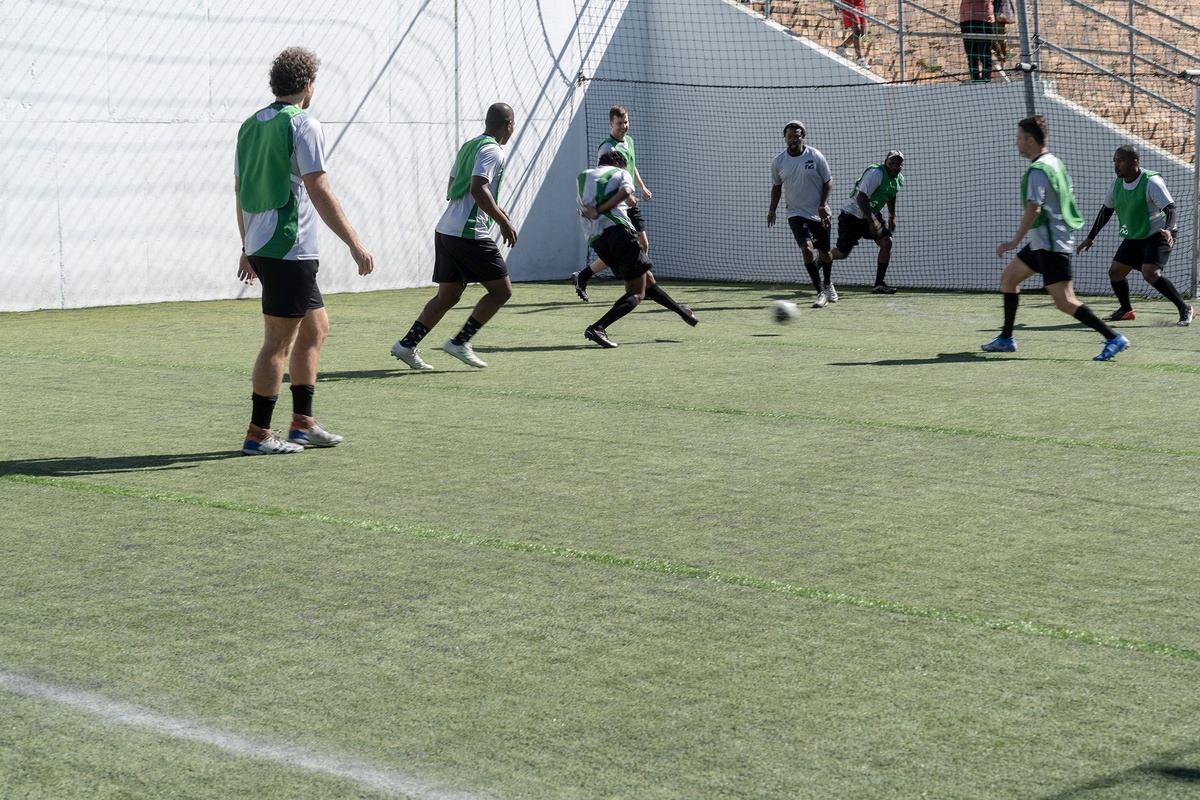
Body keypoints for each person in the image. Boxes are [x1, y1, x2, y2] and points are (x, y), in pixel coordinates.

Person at [235, 46, 374, 455]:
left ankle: (302, 423)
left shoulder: (249, 125)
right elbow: (318, 186)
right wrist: (354, 241)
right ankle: (259, 434)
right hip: (288, 245)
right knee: (278, 341)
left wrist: (246, 245)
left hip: (267, 244)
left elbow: (241, 190)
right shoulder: (304, 124)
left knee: (316, 329)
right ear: (308, 85)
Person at [983, 115, 1130, 361]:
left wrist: (1013, 242)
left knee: (1065, 301)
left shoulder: (1037, 170)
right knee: (1009, 279)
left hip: (1051, 244)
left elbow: (1034, 208)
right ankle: (1006, 339)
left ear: (1031, 140)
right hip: (1044, 241)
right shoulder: (1054, 162)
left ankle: (1113, 337)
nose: (1016, 142)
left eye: (1019, 138)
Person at [391, 103, 518, 370]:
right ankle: (460, 341)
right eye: (513, 125)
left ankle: (406, 345)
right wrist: (503, 222)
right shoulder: (494, 150)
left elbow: (453, 185)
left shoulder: (469, 145)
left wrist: (492, 208)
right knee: (501, 291)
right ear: (509, 125)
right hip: (469, 233)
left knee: (447, 296)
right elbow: (479, 189)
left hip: (447, 229)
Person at [578, 150, 697, 348]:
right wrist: (604, 208)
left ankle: (682, 312)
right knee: (636, 293)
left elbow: (585, 210)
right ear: (619, 164)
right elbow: (626, 192)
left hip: (598, 241)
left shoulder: (584, 177)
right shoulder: (621, 172)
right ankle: (598, 327)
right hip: (620, 234)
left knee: (647, 281)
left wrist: (596, 211)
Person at [1077, 144, 1192, 326]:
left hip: (1159, 233)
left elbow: (1170, 208)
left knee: (1150, 273)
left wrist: (1168, 229)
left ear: (1134, 162)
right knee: (1115, 273)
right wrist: (1091, 237)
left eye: (1120, 161)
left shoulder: (1151, 182)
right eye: (1114, 161)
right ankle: (1126, 310)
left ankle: (1185, 308)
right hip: (1136, 235)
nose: (1116, 165)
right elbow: (1106, 211)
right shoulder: (1116, 184)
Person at [571, 105, 652, 303]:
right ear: (611, 124)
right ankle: (637, 287)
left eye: (626, 122)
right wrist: (624, 197)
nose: (623, 126)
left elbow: (631, 167)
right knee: (626, 249)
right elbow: (603, 178)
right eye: (619, 123)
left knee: (641, 244)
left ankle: (585, 275)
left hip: (629, 200)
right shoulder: (606, 147)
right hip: (615, 205)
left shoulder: (629, 142)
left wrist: (641, 188)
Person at [768, 121, 834, 308]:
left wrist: (822, 205)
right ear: (785, 139)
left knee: (826, 253)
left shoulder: (815, 155)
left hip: (819, 213)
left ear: (803, 136)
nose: (793, 139)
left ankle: (828, 284)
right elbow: (777, 186)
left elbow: (828, 181)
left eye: (797, 135)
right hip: (795, 213)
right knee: (807, 249)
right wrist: (772, 210)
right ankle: (820, 292)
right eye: (789, 136)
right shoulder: (778, 161)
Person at [830, 150, 904, 294]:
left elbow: (891, 194)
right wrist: (872, 221)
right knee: (842, 253)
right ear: (885, 162)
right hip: (852, 215)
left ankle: (879, 283)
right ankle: (823, 258)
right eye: (891, 163)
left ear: (902, 166)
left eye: (898, 164)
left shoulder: (899, 178)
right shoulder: (876, 174)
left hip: (871, 215)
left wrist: (891, 215)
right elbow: (861, 198)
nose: (894, 166)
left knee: (887, 242)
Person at [960, 0, 995, 83]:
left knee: (985, 55)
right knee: (971, 55)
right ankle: (975, 81)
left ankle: (985, 81)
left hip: (984, 19)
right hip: (967, 19)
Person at [835, 0, 869, 68]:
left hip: (860, 4)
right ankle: (860, 59)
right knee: (856, 31)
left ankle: (841, 48)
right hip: (848, 4)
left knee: (860, 32)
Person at [992, 0, 1015, 81]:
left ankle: (1002, 56)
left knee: (1000, 37)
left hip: (998, 12)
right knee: (994, 38)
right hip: (991, 13)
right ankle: (1000, 55)